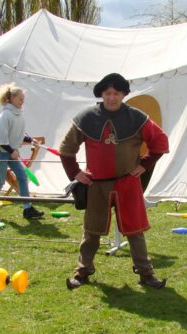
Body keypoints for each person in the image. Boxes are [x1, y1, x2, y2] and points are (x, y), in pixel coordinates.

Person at [59, 73, 169, 290]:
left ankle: (146, 273)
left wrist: (144, 164)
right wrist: (75, 172)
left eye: (116, 93)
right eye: (108, 93)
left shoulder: (137, 118)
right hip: (96, 184)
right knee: (91, 231)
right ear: (102, 94)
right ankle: (82, 271)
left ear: (123, 94)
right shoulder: (86, 118)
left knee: (135, 230)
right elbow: (66, 148)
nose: (112, 97)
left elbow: (160, 141)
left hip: (127, 184)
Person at [0, 83, 43, 220]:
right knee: (0, 180)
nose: (23, 101)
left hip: (11, 152)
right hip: (1, 152)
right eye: (20, 99)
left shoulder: (18, 115)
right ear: (11, 98)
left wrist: (31, 140)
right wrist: (11, 151)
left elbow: (18, 134)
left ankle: (27, 208)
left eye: (23, 99)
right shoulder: (6, 115)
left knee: (22, 177)